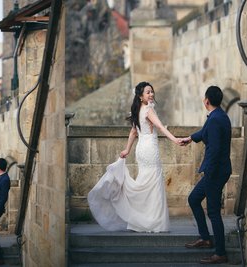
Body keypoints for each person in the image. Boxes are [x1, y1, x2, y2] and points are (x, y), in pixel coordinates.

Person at [88, 81, 180, 232]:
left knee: (145, 182)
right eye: (148, 92)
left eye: (152, 91)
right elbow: (160, 127)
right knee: (154, 183)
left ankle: (142, 219)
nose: (151, 94)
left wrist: (127, 150)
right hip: (149, 149)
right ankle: (153, 222)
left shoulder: (137, 110)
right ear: (140, 96)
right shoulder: (148, 110)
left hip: (141, 150)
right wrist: (175, 139)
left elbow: (133, 132)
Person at [181, 86, 231, 264]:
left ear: (207, 101)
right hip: (215, 171)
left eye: (204, 98)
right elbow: (204, 133)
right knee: (194, 199)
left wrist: (207, 170)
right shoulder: (218, 116)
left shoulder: (216, 119)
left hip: (215, 172)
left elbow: (215, 149)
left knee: (213, 212)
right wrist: (190, 138)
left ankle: (220, 253)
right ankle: (205, 238)